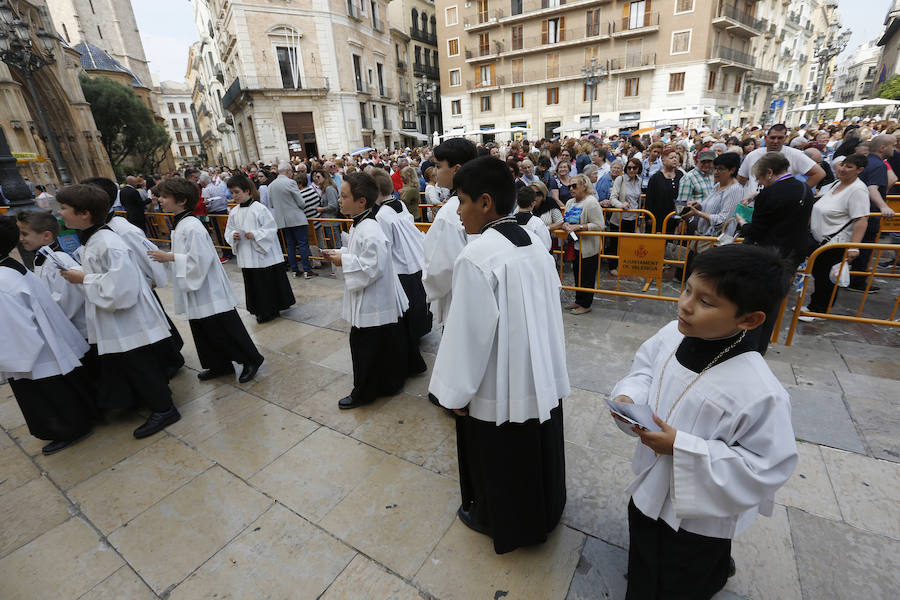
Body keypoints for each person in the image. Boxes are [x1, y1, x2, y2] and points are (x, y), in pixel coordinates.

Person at [611, 243, 798, 600]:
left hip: (698, 515)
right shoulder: (672, 333)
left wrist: (681, 447)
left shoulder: (760, 392)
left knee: (686, 571)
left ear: (750, 319)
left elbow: (766, 468)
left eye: (706, 302)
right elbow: (646, 371)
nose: (685, 304)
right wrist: (629, 397)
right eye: (687, 289)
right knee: (645, 550)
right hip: (650, 479)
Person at [428, 155, 569, 555]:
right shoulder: (536, 246)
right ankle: (546, 509)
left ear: (485, 203)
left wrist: (453, 395)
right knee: (538, 448)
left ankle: (497, 518)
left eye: (461, 201)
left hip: (499, 383)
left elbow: (466, 338)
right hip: (538, 374)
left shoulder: (477, 256)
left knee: (502, 456)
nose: (457, 212)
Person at [57, 185, 180, 439]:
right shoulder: (96, 238)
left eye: (64, 208)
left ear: (84, 214)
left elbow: (122, 288)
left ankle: (165, 408)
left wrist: (83, 279)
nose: (60, 213)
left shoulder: (109, 242)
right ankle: (149, 400)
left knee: (140, 363)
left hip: (128, 318)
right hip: (117, 319)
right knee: (133, 363)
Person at [149, 177, 265, 384]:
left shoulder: (192, 226)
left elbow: (200, 260)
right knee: (204, 328)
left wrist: (170, 257)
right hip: (195, 287)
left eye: (165, 197)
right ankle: (219, 364)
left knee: (223, 326)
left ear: (182, 200)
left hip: (208, 288)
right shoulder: (181, 224)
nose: (160, 200)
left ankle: (251, 359)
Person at [0, 215, 95, 455]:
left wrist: (12, 359)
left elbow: (14, 327)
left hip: (33, 351)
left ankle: (70, 429)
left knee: (50, 394)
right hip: (43, 342)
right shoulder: (10, 267)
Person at [321, 173, 411, 410]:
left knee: (365, 348)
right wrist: (342, 254)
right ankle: (386, 384)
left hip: (373, 300)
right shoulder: (362, 223)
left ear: (361, 201)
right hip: (373, 298)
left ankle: (365, 392)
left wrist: (344, 261)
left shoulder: (370, 228)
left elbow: (372, 266)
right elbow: (363, 257)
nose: (339, 201)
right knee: (379, 346)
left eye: (344, 196)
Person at [81, 176, 185, 379]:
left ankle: (170, 362)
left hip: (136, 288)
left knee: (155, 332)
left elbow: (148, 255)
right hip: (121, 289)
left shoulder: (123, 229)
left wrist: (153, 279)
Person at [737, 153, 814, 352]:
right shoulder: (805, 188)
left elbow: (756, 231)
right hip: (793, 253)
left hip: (768, 254)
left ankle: (750, 344)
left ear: (769, 173)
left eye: (760, 179)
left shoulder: (769, 195)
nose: (761, 183)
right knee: (774, 301)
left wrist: (743, 223)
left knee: (757, 301)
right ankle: (761, 346)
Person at [366, 166, 431, 369]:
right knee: (417, 299)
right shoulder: (399, 204)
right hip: (414, 257)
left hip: (400, 264)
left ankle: (412, 338)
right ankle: (419, 333)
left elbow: (385, 244)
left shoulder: (382, 215)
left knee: (409, 305)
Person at [802, 154, 870, 320]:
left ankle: (819, 310)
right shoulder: (837, 184)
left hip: (835, 243)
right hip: (820, 239)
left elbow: (861, 219)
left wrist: (854, 246)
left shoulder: (858, 190)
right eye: (843, 165)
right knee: (819, 274)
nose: (842, 169)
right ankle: (815, 305)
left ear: (859, 170)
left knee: (826, 277)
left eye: (849, 167)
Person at [225, 173, 295, 324]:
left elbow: (271, 229)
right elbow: (228, 230)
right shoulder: (234, 212)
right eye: (232, 193)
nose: (234, 196)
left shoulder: (259, 208)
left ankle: (272, 309)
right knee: (254, 285)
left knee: (266, 283)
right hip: (246, 255)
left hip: (263, 256)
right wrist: (233, 235)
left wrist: (255, 234)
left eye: (237, 192)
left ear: (247, 191)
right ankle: (259, 310)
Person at [422, 138, 477, 328]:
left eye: (438, 166)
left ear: (457, 169)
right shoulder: (482, 200)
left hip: (458, 298)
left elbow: (440, 268)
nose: (435, 172)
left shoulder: (451, 211)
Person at [16, 210, 87, 339]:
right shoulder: (44, 257)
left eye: (25, 234)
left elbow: (68, 301)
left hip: (78, 334)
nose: (21, 239)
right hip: (67, 331)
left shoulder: (59, 261)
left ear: (46, 236)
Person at [849, 134, 897, 293]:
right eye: (893, 145)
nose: (894, 149)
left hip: (857, 211)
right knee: (863, 248)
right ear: (882, 147)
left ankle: (852, 278)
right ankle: (857, 281)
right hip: (868, 213)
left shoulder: (866, 161)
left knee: (856, 246)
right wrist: (884, 206)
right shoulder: (879, 165)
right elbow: (872, 188)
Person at [559, 174, 605, 314]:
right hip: (574, 245)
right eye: (569, 186)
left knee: (587, 276)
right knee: (577, 273)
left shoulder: (591, 202)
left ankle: (586, 304)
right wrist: (566, 224)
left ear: (584, 186)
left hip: (588, 247)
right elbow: (565, 219)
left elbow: (599, 224)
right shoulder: (569, 202)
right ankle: (579, 300)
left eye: (574, 186)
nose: (571, 189)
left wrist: (578, 227)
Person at [737, 124, 825, 196]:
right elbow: (741, 179)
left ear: (785, 138)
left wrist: (798, 193)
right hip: (752, 205)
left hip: (779, 206)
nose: (775, 141)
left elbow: (819, 173)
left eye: (780, 138)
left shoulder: (795, 154)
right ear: (766, 138)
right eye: (772, 138)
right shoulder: (753, 154)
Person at [269, 161, 316, 279]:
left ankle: (295, 270)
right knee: (303, 244)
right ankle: (307, 270)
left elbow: (271, 204)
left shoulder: (271, 185)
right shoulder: (290, 182)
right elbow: (301, 202)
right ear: (288, 171)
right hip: (296, 218)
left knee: (290, 245)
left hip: (282, 220)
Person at [684, 152, 743, 241]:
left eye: (720, 169)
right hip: (703, 238)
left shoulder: (735, 189)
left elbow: (723, 221)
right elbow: (708, 206)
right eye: (715, 168)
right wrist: (698, 205)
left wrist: (698, 213)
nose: (716, 172)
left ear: (732, 170)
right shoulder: (717, 185)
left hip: (717, 242)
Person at [607, 157, 643, 274]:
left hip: (633, 217)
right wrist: (621, 205)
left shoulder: (639, 181)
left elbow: (638, 199)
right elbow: (612, 198)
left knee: (628, 243)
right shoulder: (620, 179)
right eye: (629, 167)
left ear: (639, 169)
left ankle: (625, 265)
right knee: (615, 243)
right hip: (619, 217)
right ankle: (613, 266)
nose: (631, 170)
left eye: (634, 168)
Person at [645, 148, 683, 233]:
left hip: (675, 216)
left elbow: (682, 195)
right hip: (659, 217)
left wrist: (681, 215)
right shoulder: (656, 178)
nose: (674, 160)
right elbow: (650, 199)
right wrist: (649, 218)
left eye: (675, 157)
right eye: (671, 158)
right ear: (663, 160)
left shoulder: (680, 175)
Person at [514, 187, 551, 251]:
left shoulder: (509, 222)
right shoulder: (537, 222)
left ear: (517, 202)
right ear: (533, 203)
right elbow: (546, 246)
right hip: (533, 257)